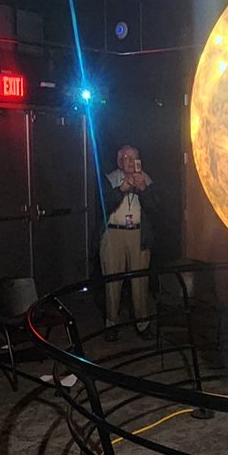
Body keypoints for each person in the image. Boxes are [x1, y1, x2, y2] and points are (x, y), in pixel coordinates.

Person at [100, 145, 156, 342]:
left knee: (140, 282)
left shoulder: (146, 179)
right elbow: (103, 204)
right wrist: (122, 188)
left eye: (134, 158)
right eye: (126, 158)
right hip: (113, 234)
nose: (130, 162)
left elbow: (155, 207)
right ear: (119, 161)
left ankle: (143, 324)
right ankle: (111, 324)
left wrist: (143, 189)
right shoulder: (109, 178)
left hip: (138, 234)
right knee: (112, 282)